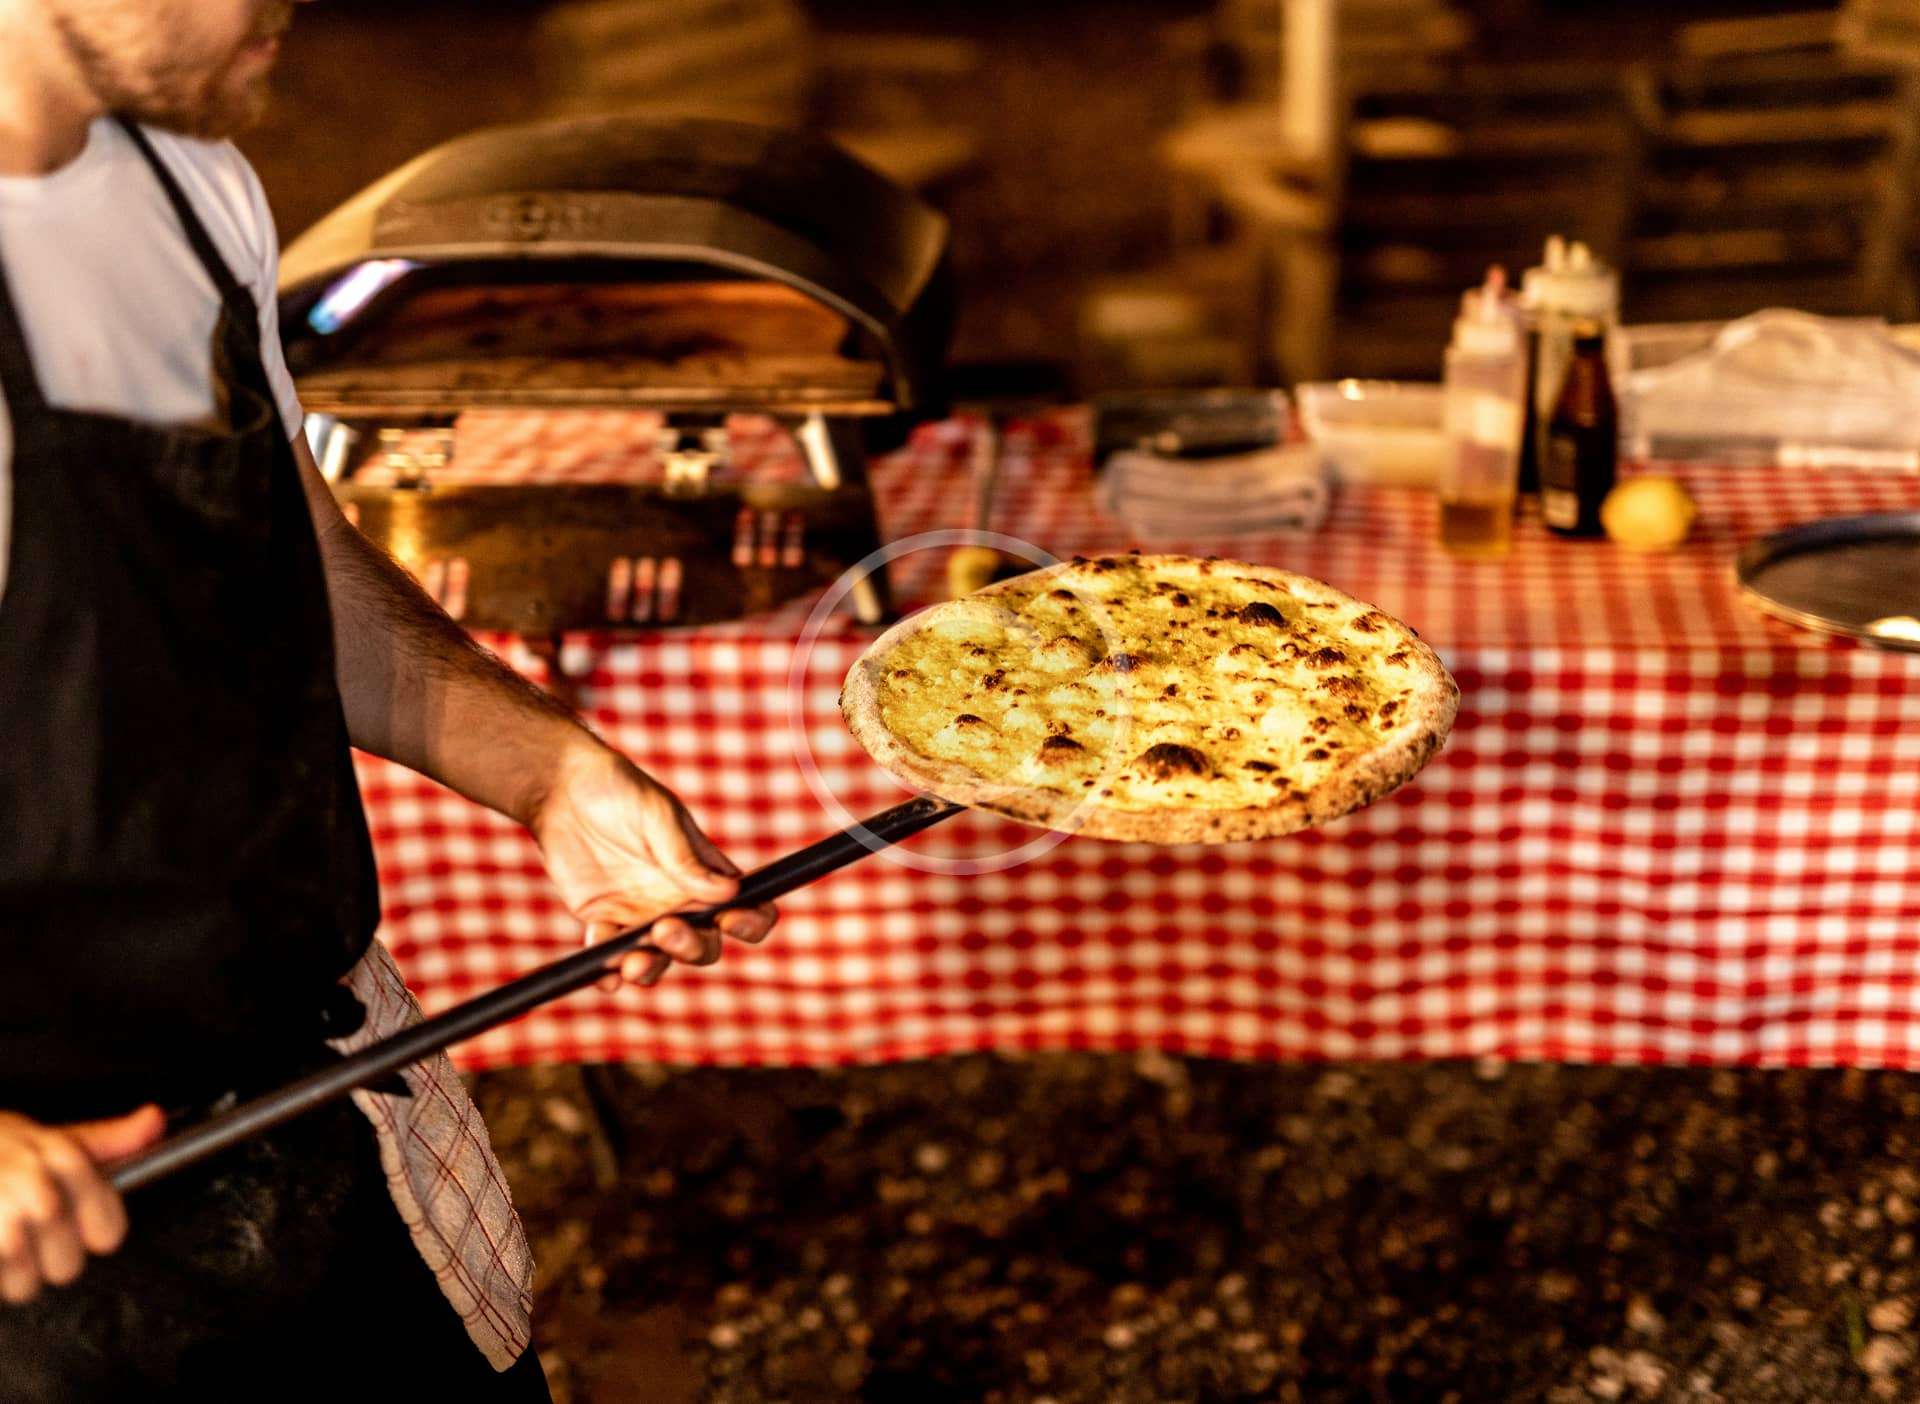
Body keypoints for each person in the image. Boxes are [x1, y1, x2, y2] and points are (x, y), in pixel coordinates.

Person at [0, 1, 776, 1396]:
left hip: (318, 1096)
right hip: (46, 1244)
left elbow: (288, 567)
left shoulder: (186, 186)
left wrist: (546, 772)